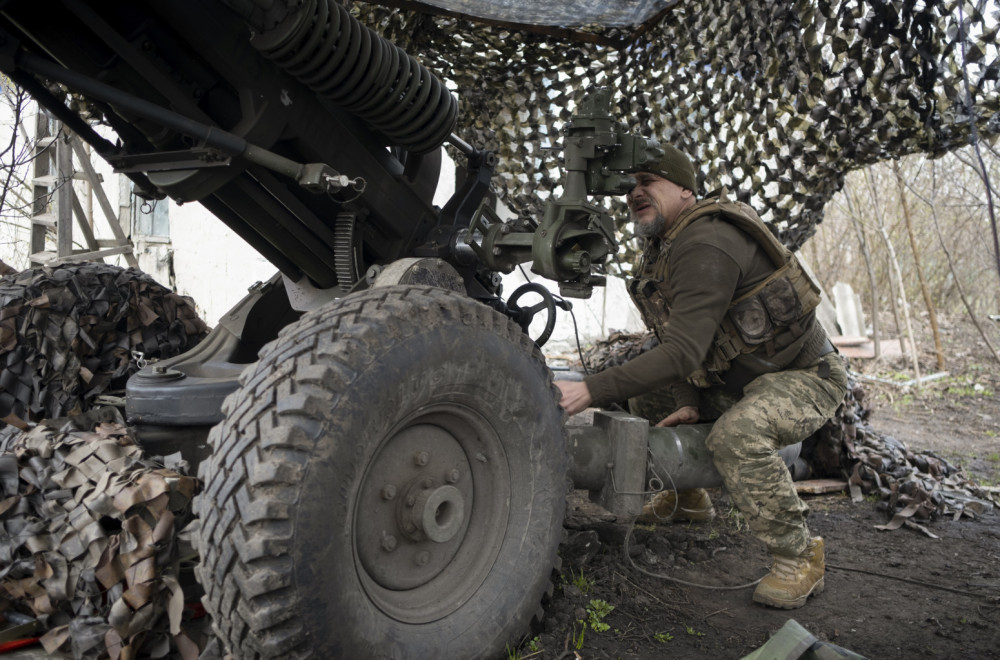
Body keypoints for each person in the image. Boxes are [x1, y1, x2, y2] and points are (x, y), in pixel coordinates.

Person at [556, 144, 848, 610]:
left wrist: (590, 389)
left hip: (805, 375)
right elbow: (676, 338)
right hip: (738, 379)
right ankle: (686, 498)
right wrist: (688, 396)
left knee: (738, 436)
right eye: (631, 185)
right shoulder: (661, 249)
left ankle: (799, 556)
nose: (636, 192)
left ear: (685, 190)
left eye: (649, 182)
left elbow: (680, 351)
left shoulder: (707, 241)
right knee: (649, 400)